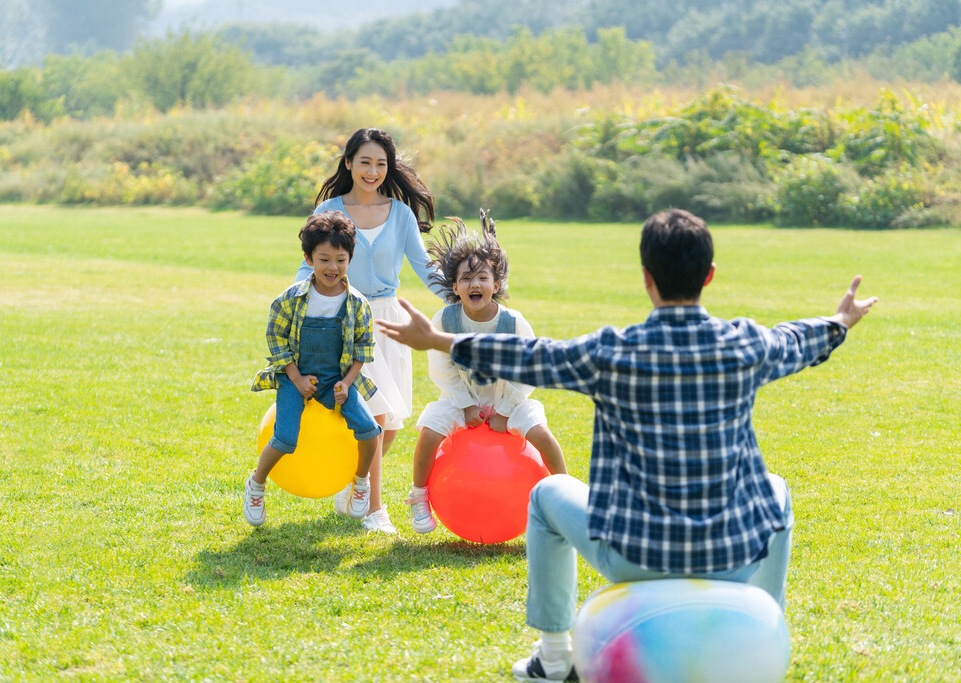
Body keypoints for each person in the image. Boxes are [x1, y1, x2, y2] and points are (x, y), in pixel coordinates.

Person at [376, 208, 878, 682]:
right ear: (709, 276)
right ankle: (767, 623)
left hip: (629, 553)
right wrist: (839, 323)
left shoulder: (611, 351)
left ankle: (553, 658)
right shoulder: (744, 344)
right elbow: (795, 340)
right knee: (778, 490)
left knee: (548, 496)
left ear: (646, 277)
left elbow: (534, 356)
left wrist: (442, 341)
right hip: (730, 553)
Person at [295, 127, 445, 534]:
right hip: (348, 319)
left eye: (381, 164)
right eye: (365, 162)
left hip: (390, 320)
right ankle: (375, 510)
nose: (373, 171)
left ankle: (356, 486)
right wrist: (295, 299)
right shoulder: (330, 208)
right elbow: (311, 262)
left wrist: (461, 297)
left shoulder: (399, 214)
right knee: (375, 415)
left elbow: (424, 266)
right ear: (348, 163)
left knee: (391, 421)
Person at [404, 210, 567, 535]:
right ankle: (419, 495)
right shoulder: (445, 321)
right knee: (429, 433)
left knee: (541, 435)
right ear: (455, 287)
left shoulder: (513, 323)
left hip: (509, 400)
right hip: (460, 399)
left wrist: (506, 412)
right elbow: (442, 368)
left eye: (482, 277)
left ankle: (563, 498)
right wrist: (465, 405)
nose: (474, 284)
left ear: (495, 284)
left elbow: (527, 370)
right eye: (466, 278)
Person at [243, 211, 382, 529]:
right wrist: (295, 377)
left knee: (370, 431)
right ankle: (256, 484)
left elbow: (363, 349)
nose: (332, 267)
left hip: (337, 380)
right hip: (296, 375)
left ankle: (359, 483)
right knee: (286, 438)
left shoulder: (357, 304)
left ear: (350, 259)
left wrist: (346, 383)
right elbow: (276, 341)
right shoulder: (289, 301)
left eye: (340, 259)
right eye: (324, 259)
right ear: (308, 258)